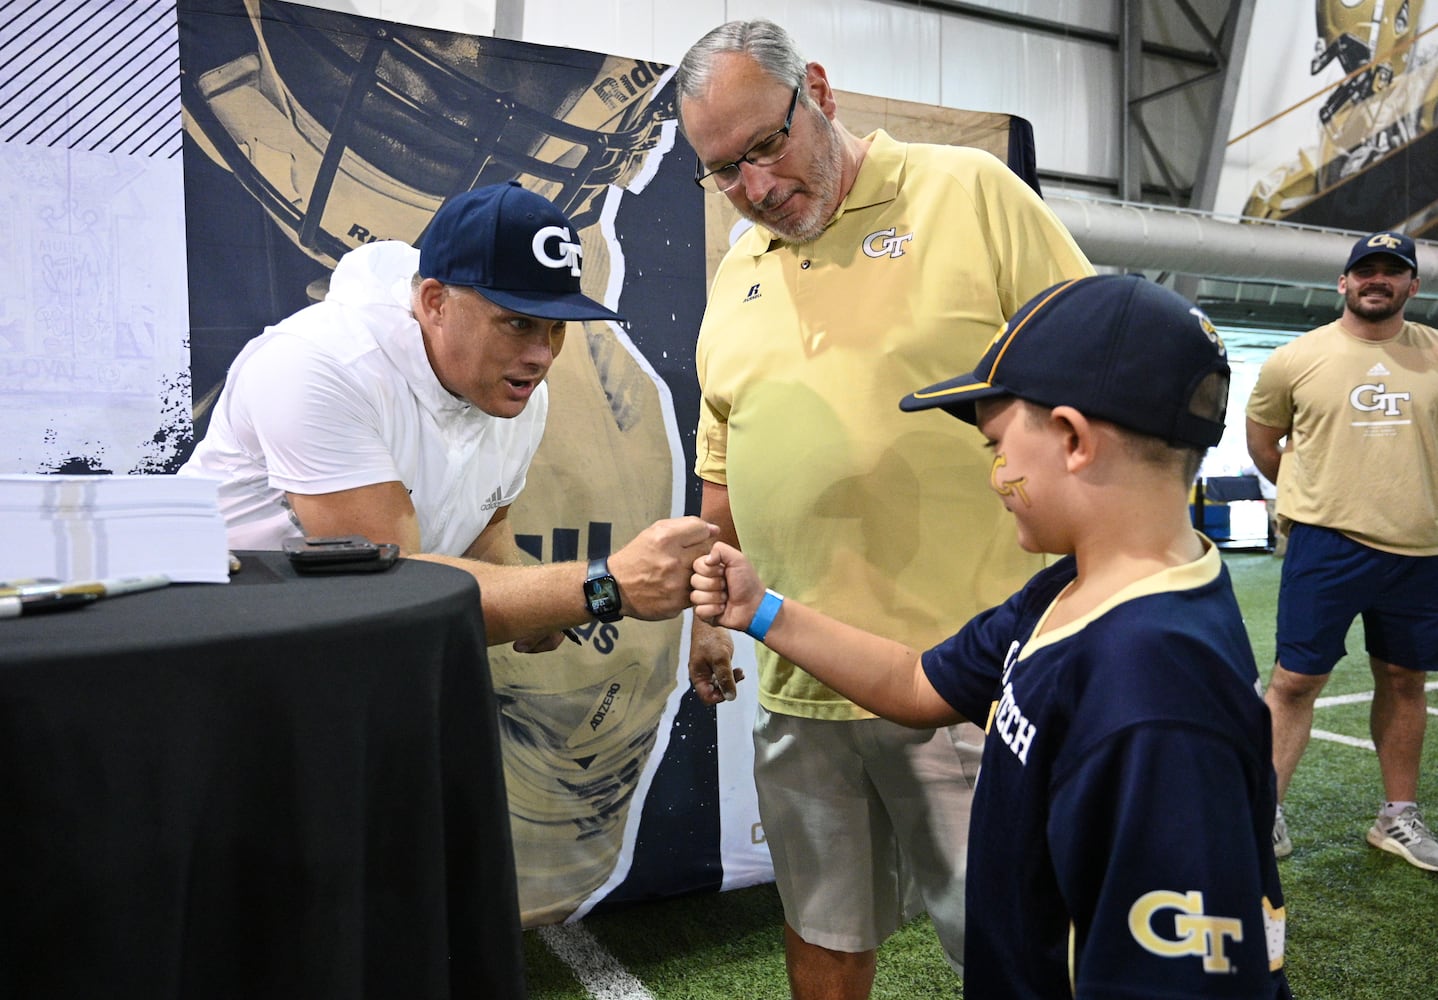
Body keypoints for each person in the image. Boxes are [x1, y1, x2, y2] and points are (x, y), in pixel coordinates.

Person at [692, 274, 1292, 998]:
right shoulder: (1070, 590)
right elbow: (919, 684)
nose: (995, 475)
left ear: (1072, 438)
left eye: (997, 446)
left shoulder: (1155, 696)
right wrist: (761, 609)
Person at [673, 18, 1093, 997]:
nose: (757, 187)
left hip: (972, 686)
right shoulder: (738, 266)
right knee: (821, 930)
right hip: (798, 681)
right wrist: (705, 617)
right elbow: (723, 460)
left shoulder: (970, 192)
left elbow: (1097, 382)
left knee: (1021, 950)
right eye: (722, 169)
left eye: (767, 144)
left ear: (816, 86)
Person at [181, 180, 716, 648]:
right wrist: (603, 587)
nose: (543, 354)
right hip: (217, 651)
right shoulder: (320, 365)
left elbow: (484, 527)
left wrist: (539, 603)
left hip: (338, 654)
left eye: (557, 326)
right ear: (435, 302)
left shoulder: (516, 389)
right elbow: (388, 591)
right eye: (518, 323)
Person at [1245, 230, 1438, 870]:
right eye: (1366, 270)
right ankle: (1262, 815)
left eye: (1392, 272)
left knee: (1406, 678)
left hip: (1421, 546)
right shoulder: (1295, 359)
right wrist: (1318, 493)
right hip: (1326, 544)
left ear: (1412, 285)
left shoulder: (1437, 353)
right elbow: (1264, 441)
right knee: (1294, 681)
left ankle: (1397, 819)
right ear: (1343, 283)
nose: (1376, 280)